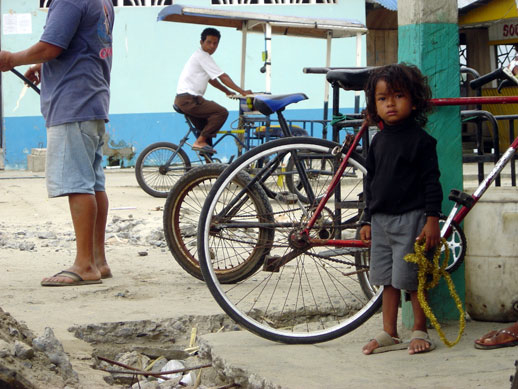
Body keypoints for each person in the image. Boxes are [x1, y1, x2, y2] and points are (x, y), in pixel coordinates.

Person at [0, 0, 114, 286]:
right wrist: (43, 65)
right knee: (93, 183)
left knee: (77, 184)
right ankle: (98, 260)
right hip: (93, 98)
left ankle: (84, 265)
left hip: (72, 102)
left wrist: (12, 58)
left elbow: (50, 46)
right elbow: (81, 45)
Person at [359, 63, 443, 355]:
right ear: (375, 105)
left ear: (414, 100)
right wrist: (367, 219)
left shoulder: (422, 142)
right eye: (382, 99)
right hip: (381, 221)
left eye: (398, 96)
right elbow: (370, 183)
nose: (390, 104)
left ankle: (420, 329)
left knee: (412, 279)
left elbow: (432, 182)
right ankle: (389, 332)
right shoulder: (378, 141)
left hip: (411, 220)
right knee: (387, 281)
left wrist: (432, 220)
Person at [174, 27, 252, 155]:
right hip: (190, 100)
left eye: (215, 43)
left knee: (206, 133)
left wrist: (227, 91)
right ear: (201, 42)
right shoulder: (202, 56)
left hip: (187, 100)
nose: (212, 46)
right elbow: (223, 77)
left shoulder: (202, 58)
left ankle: (208, 167)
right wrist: (242, 92)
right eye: (209, 42)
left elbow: (212, 80)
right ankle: (199, 142)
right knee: (221, 113)